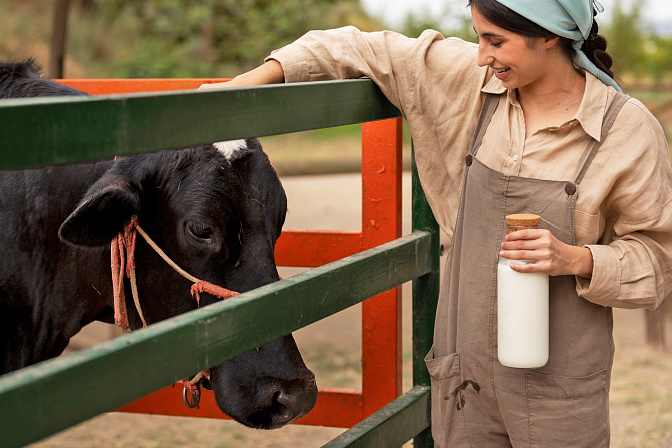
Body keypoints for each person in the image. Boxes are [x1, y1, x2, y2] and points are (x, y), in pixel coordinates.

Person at [202, 0, 672, 446]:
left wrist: (577, 258)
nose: (483, 56)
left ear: (549, 36)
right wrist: (250, 81)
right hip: (465, 383)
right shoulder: (468, 83)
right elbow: (357, 47)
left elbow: (658, 259)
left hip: (561, 394)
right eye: (478, 38)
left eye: (496, 41)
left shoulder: (626, 131)